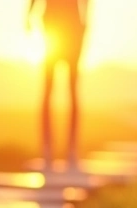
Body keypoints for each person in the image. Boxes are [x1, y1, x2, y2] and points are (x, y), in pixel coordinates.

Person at [27, 0, 88, 173]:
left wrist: (86, 22)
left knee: (71, 91)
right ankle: (48, 149)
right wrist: (29, 14)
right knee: (50, 91)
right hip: (54, 26)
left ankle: (72, 150)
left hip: (70, 26)